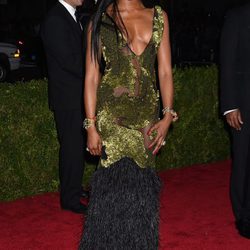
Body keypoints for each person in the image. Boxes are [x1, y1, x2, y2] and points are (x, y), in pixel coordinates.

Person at [79, 0, 177, 248]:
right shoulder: (100, 20)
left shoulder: (158, 16)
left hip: (146, 117)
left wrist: (167, 116)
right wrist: (90, 125)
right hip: (111, 116)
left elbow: (164, 71)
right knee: (112, 189)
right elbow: (91, 77)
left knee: (142, 190)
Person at [41, 0, 88, 214]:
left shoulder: (70, 16)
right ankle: (70, 198)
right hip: (68, 98)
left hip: (76, 95)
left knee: (77, 148)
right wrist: (97, 70)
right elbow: (70, 62)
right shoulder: (55, 19)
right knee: (72, 148)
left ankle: (75, 190)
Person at [220, 3, 250, 239]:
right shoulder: (238, 15)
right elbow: (227, 63)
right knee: (243, 160)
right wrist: (229, 106)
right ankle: (243, 215)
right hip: (244, 104)